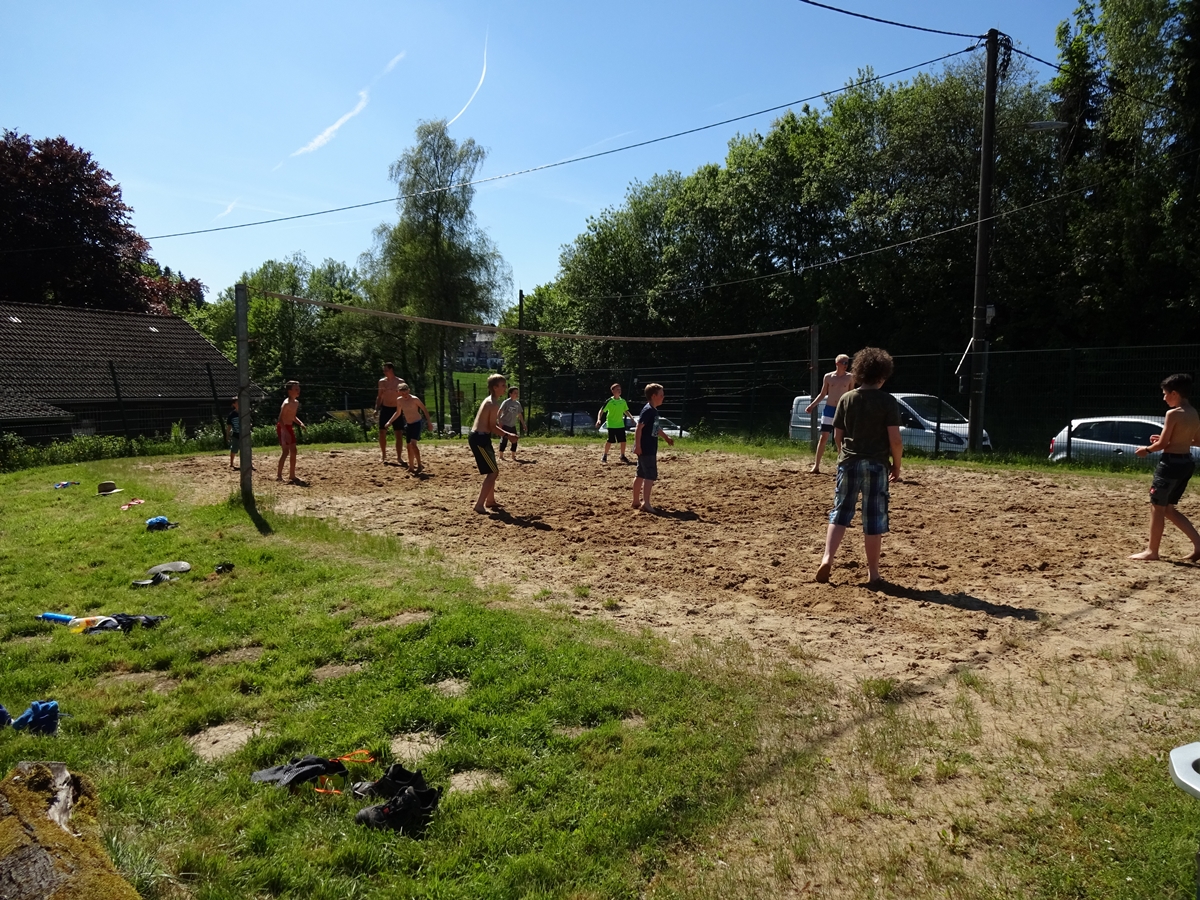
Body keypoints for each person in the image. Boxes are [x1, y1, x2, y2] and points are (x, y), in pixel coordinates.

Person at [815, 348, 902, 585]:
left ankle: (827, 558)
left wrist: (845, 453)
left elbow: (837, 435)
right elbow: (895, 439)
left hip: (849, 462)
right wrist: (897, 465)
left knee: (840, 511)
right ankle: (873, 573)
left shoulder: (847, 398)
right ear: (883, 375)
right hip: (876, 463)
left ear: (860, 373)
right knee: (873, 517)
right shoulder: (888, 401)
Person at [1130, 373, 1200, 562]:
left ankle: (1151, 551)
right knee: (1168, 509)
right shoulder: (1193, 413)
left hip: (1170, 465)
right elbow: (1197, 441)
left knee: (1157, 508)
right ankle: (1199, 544)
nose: (1163, 398)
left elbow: (1162, 445)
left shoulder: (1173, 413)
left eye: (1165, 394)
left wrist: (1146, 449)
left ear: (1174, 393)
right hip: (1186, 464)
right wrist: (1163, 440)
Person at [469, 374, 519, 514]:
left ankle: (490, 501)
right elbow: (492, 427)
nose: (505, 388)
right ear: (495, 387)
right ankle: (479, 505)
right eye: (503, 385)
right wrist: (508, 435)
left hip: (481, 438)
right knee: (493, 472)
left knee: (492, 470)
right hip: (480, 439)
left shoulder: (490, 400)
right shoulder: (493, 404)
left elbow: (491, 425)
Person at [806, 354, 854, 474]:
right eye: (844, 363)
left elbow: (851, 395)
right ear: (837, 363)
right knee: (823, 437)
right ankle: (816, 466)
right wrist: (812, 405)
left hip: (842, 410)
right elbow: (822, 394)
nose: (846, 365)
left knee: (838, 438)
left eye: (847, 363)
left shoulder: (850, 378)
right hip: (829, 409)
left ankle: (842, 465)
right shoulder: (828, 377)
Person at [632, 383, 675, 513]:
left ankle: (635, 501)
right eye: (661, 395)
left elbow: (656, 428)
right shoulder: (649, 410)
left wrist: (666, 438)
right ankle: (646, 503)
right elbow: (639, 428)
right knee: (650, 475)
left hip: (647, 447)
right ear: (654, 396)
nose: (663, 397)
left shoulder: (653, 410)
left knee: (640, 474)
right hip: (647, 448)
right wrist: (638, 445)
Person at [385, 383, 433, 473]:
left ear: (409, 390)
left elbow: (424, 409)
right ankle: (411, 466)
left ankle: (419, 465)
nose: (404, 395)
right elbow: (398, 413)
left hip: (417, 423)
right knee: (408, 446)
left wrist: (429, 422)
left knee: (413, 444)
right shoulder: (399, 400)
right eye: (402, 393)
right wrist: (389, 422)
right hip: (409, 424)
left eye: (406, 393)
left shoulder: (415, 399)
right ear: (398, 392)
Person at [276, 381, 306, 482]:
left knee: (294, 451)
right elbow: (280, 419)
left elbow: (292, 417)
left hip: (289, 427)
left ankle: (292, 475)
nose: (298, 390)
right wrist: (286, 433)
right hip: (283, 427)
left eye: (299, 388)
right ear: (290, 391)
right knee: (285, 452)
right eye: (296, 389)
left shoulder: (296, 403)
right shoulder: (286, 404)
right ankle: (279, 476)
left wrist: (300, 423)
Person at [375, 362, 404, 464]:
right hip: (386, 409)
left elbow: (404, 395)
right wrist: (376, 409)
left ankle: (399, 457)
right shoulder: (382, 382)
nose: (384, 372)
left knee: (398, 433)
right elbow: (379, 396)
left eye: (385, 370)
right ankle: (383, 455)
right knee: (382, 432)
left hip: (397, 409)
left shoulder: (400, 382)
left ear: (391, 370)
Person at [597, 383, 633, 463]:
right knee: (610, 440)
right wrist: (599, 419)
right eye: (617, 389)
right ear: (612, 391)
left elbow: (625, 411)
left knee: (623, 440)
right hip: (611, 424)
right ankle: (605, 455)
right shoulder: (609, 401)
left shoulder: (622, 401)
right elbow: (601, 411)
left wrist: (631, 418)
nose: (619, 391)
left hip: (620, 424)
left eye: (620, 389)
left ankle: (622, 456)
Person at [497, 386, 526, 460]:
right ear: (510, 394)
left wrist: (523, 424)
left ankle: (513, 456)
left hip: (512, 425)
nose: (517, 394)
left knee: (515, 439)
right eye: (515, 393)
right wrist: (499, 422)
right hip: (505, 424)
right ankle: (501, 455)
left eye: (517, 393)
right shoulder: (506, 402)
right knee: (504, 440)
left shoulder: (517, 404)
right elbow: (499, 413)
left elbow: (520, 415)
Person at [225, 396, 240, 469]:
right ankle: (231, 463)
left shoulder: (245, 413)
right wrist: (227, 436)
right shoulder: (232, 415)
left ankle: (249, 464)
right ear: (234, 404)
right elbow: (229, 427)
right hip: (236, 434)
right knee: (234, 449)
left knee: (247, 449)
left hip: (245, 434)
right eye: (238, 402)